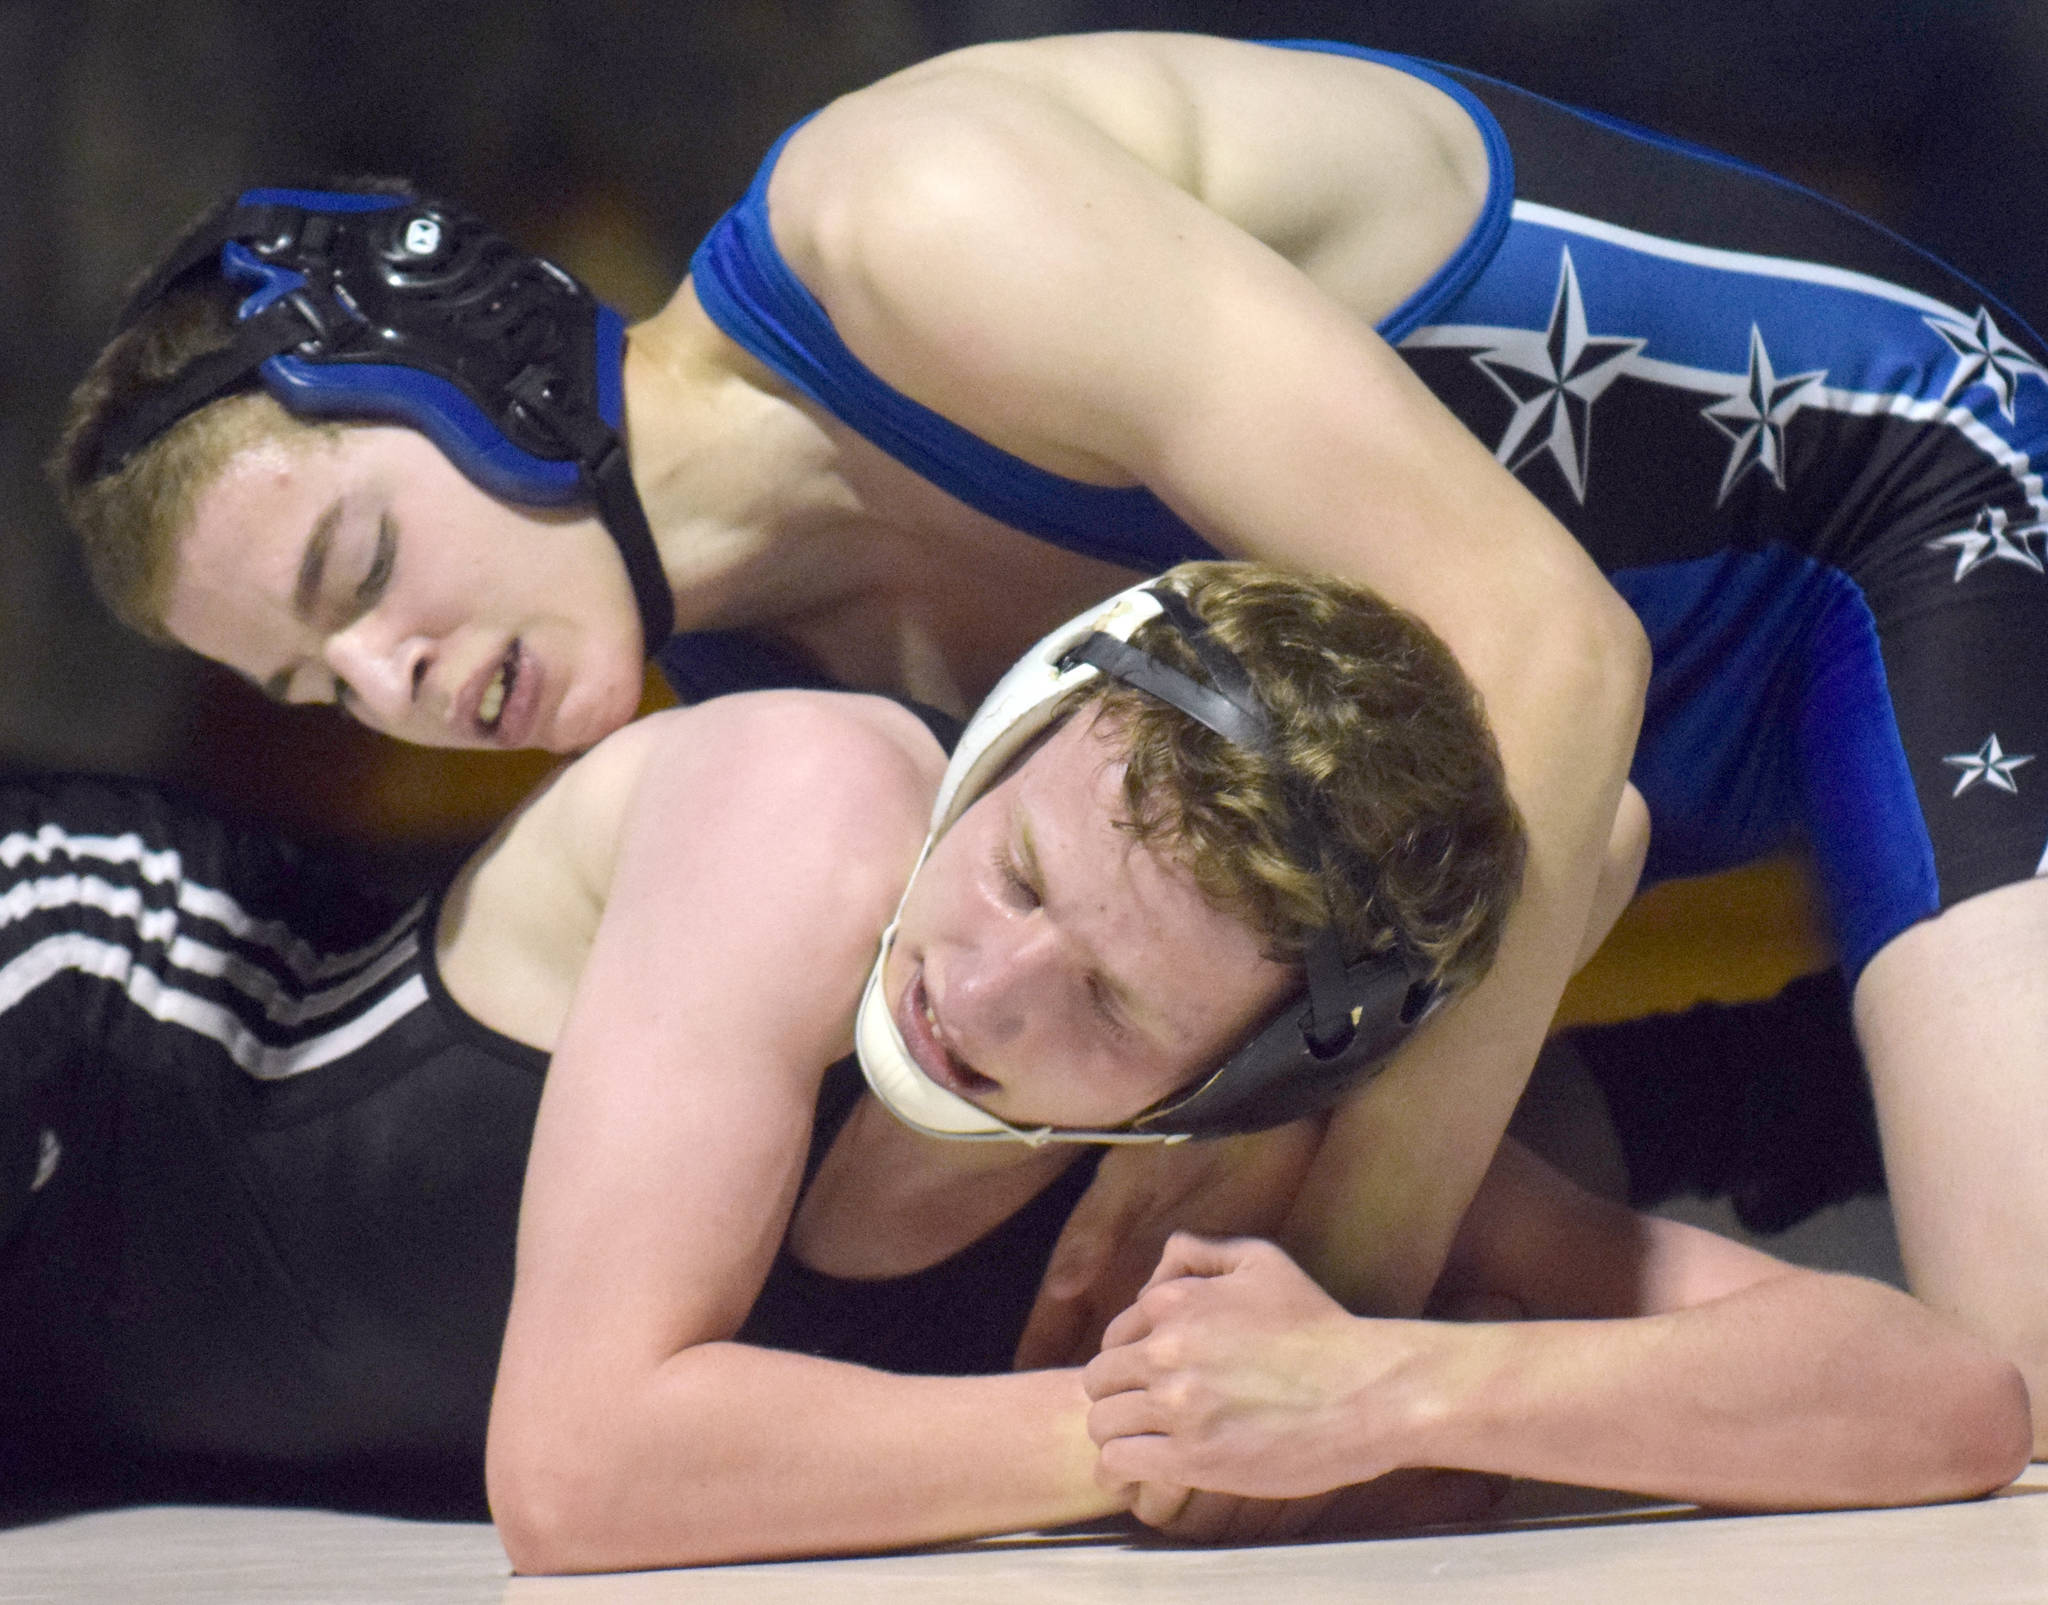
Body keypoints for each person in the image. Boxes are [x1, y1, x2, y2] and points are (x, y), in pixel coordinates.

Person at [51, 35, 2048, 1441]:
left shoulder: (901, 223)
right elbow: (1553, 833)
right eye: (316, 685)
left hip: (1895, 521)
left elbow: (1549, 650)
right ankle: (1789, 1103)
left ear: (467, 354)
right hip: (1576, 784)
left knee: (2021, 1399)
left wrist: (1334, 1310)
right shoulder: (777, 701)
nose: (390, 676)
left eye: (358, 567)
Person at [3, 567, 2023, 1570]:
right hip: (84, 1013)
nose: (986, 975)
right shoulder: (808, 807)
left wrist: (1375, 1384)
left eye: (1115, 1010)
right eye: (1022, 868)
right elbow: (586, 1465)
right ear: (1010, 736)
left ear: (1228, 1085)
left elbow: (1944, 1397)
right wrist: (1157, 1434)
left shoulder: (1255, 1152)